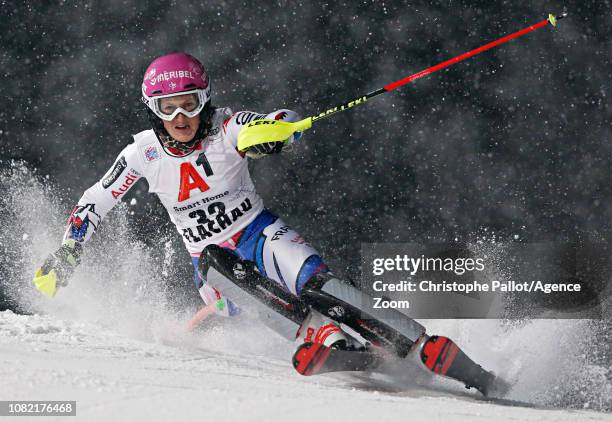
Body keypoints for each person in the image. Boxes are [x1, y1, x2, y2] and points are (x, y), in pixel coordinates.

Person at [33, 52, 351, 349]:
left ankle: (366, 321)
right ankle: (316, 334)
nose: (181, 117)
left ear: (205, 102)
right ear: (153, 110)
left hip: (258, 233)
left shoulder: (227, 127)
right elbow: (97, 199)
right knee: (219, 264)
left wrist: (275, 134)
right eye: (167, 108)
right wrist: (69, 248)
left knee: (307, 273)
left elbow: (279, 119)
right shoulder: (144, 153)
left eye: (190, 104)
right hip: (210, 263)